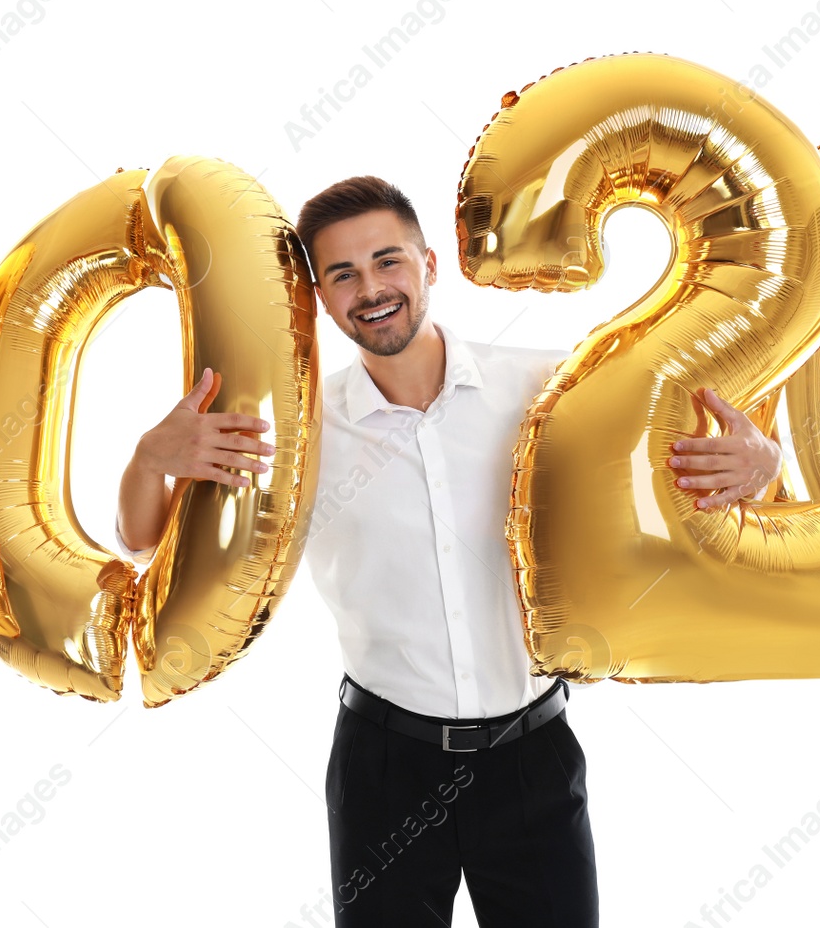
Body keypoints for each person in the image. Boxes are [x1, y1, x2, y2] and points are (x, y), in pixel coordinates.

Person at [112, 176, 781, 926]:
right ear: (319, 300)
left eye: (387, 261)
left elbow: (698, 464)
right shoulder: (301, 437)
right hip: (384, 763)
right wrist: (149, 461)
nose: (371, 288)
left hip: (532, 755)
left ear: (429, 264)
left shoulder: (547, 387)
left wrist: (764, 463)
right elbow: (147, 545)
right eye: (343, 274)